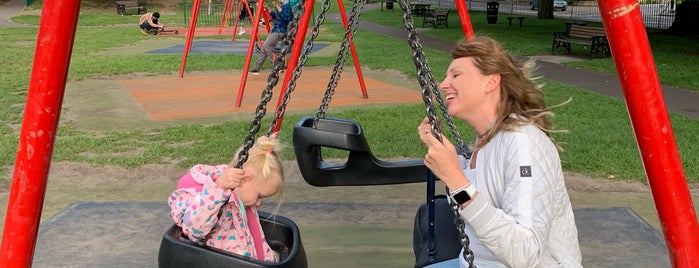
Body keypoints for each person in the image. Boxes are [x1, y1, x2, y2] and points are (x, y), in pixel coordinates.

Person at [417, 36, 582, 268]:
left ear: (491, 81)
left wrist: (456, 181)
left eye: (456, 75)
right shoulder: (487, 138)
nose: (443, 84)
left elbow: (526, 253)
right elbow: (485, 185)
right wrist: (451, 159)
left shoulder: (524, 145)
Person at [168, 135, 285, 262]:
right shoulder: (215, 200)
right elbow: (195, 229)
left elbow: (255, 238)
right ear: (245, 179)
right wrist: (218, 189)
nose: (258, 203)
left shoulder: (241, 200)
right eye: (259, 196)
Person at [248, 0, 293, 75]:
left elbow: (286, 19)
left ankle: (277, 65)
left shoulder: (288, 7)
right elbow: (277, 17)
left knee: (266, 45)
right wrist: (268, 9)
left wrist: (278, 7)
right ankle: (256, 68)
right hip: (275, 29)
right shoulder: (282, 6)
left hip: (280, 31)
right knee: (264, 48)